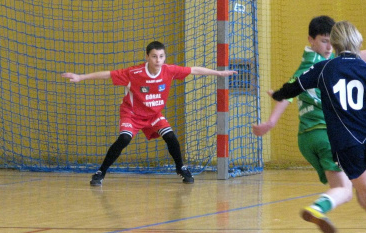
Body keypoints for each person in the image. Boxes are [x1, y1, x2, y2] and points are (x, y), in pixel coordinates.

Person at [253, 15, 366, 233]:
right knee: (359, 189)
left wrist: (277, 94)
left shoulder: (323, 68)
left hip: (342, 143)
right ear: (358, 43)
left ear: (334, 44)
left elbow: (293, 87)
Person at [62, 41, 237, 186]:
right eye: (154, 56)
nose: (158, 60)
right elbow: (107, 74)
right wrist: (81, 77)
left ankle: (181, 168)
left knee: (171, 138)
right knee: (124, 139)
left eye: (161, 56)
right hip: (132, 114)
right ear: (147, 57)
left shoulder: (169, 70)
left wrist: (219, 73)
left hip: (154, 115)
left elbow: (194, 70)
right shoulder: (133, 73)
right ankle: (101, 171)